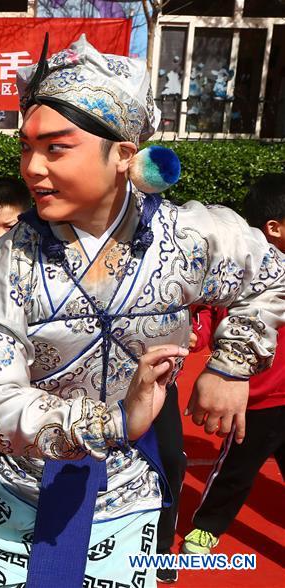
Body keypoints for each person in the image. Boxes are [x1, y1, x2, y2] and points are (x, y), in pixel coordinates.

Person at [0, 35, 285, 588]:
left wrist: (232, 366)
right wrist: (112, 421)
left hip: (128, 484)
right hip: (13, 478)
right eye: (26, 147)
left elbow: (269, 276)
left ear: (123, 155)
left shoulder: (191, 236)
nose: (32, 168)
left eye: (56, 148)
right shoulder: (2, 267)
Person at [181, 173, 285, 557]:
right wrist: (198, 333)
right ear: (273, 229)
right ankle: (208, 526)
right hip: (256, 402)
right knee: (236, 472)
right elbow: (210, 313)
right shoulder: (242, 276)